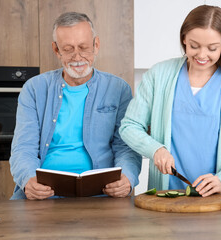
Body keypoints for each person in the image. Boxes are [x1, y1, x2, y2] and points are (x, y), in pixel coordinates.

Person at [119, 5, 221, 197]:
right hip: (165, 196)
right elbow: (129, 126)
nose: (202, 55)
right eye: (194, 46)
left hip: (215, 199)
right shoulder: (159, 75)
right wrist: (156, 150)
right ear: (184, 38)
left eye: (212, 48)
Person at [9, 12, 141, 200]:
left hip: (102, 193)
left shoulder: (118, 89)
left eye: (84, 47)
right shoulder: (34, 89)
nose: (77, 57)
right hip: (43, 193)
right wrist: (28, 180)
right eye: (68, 49)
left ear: (96, 45)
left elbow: (126, 146)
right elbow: (23, 148)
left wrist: (127, 178)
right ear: (56, 50)